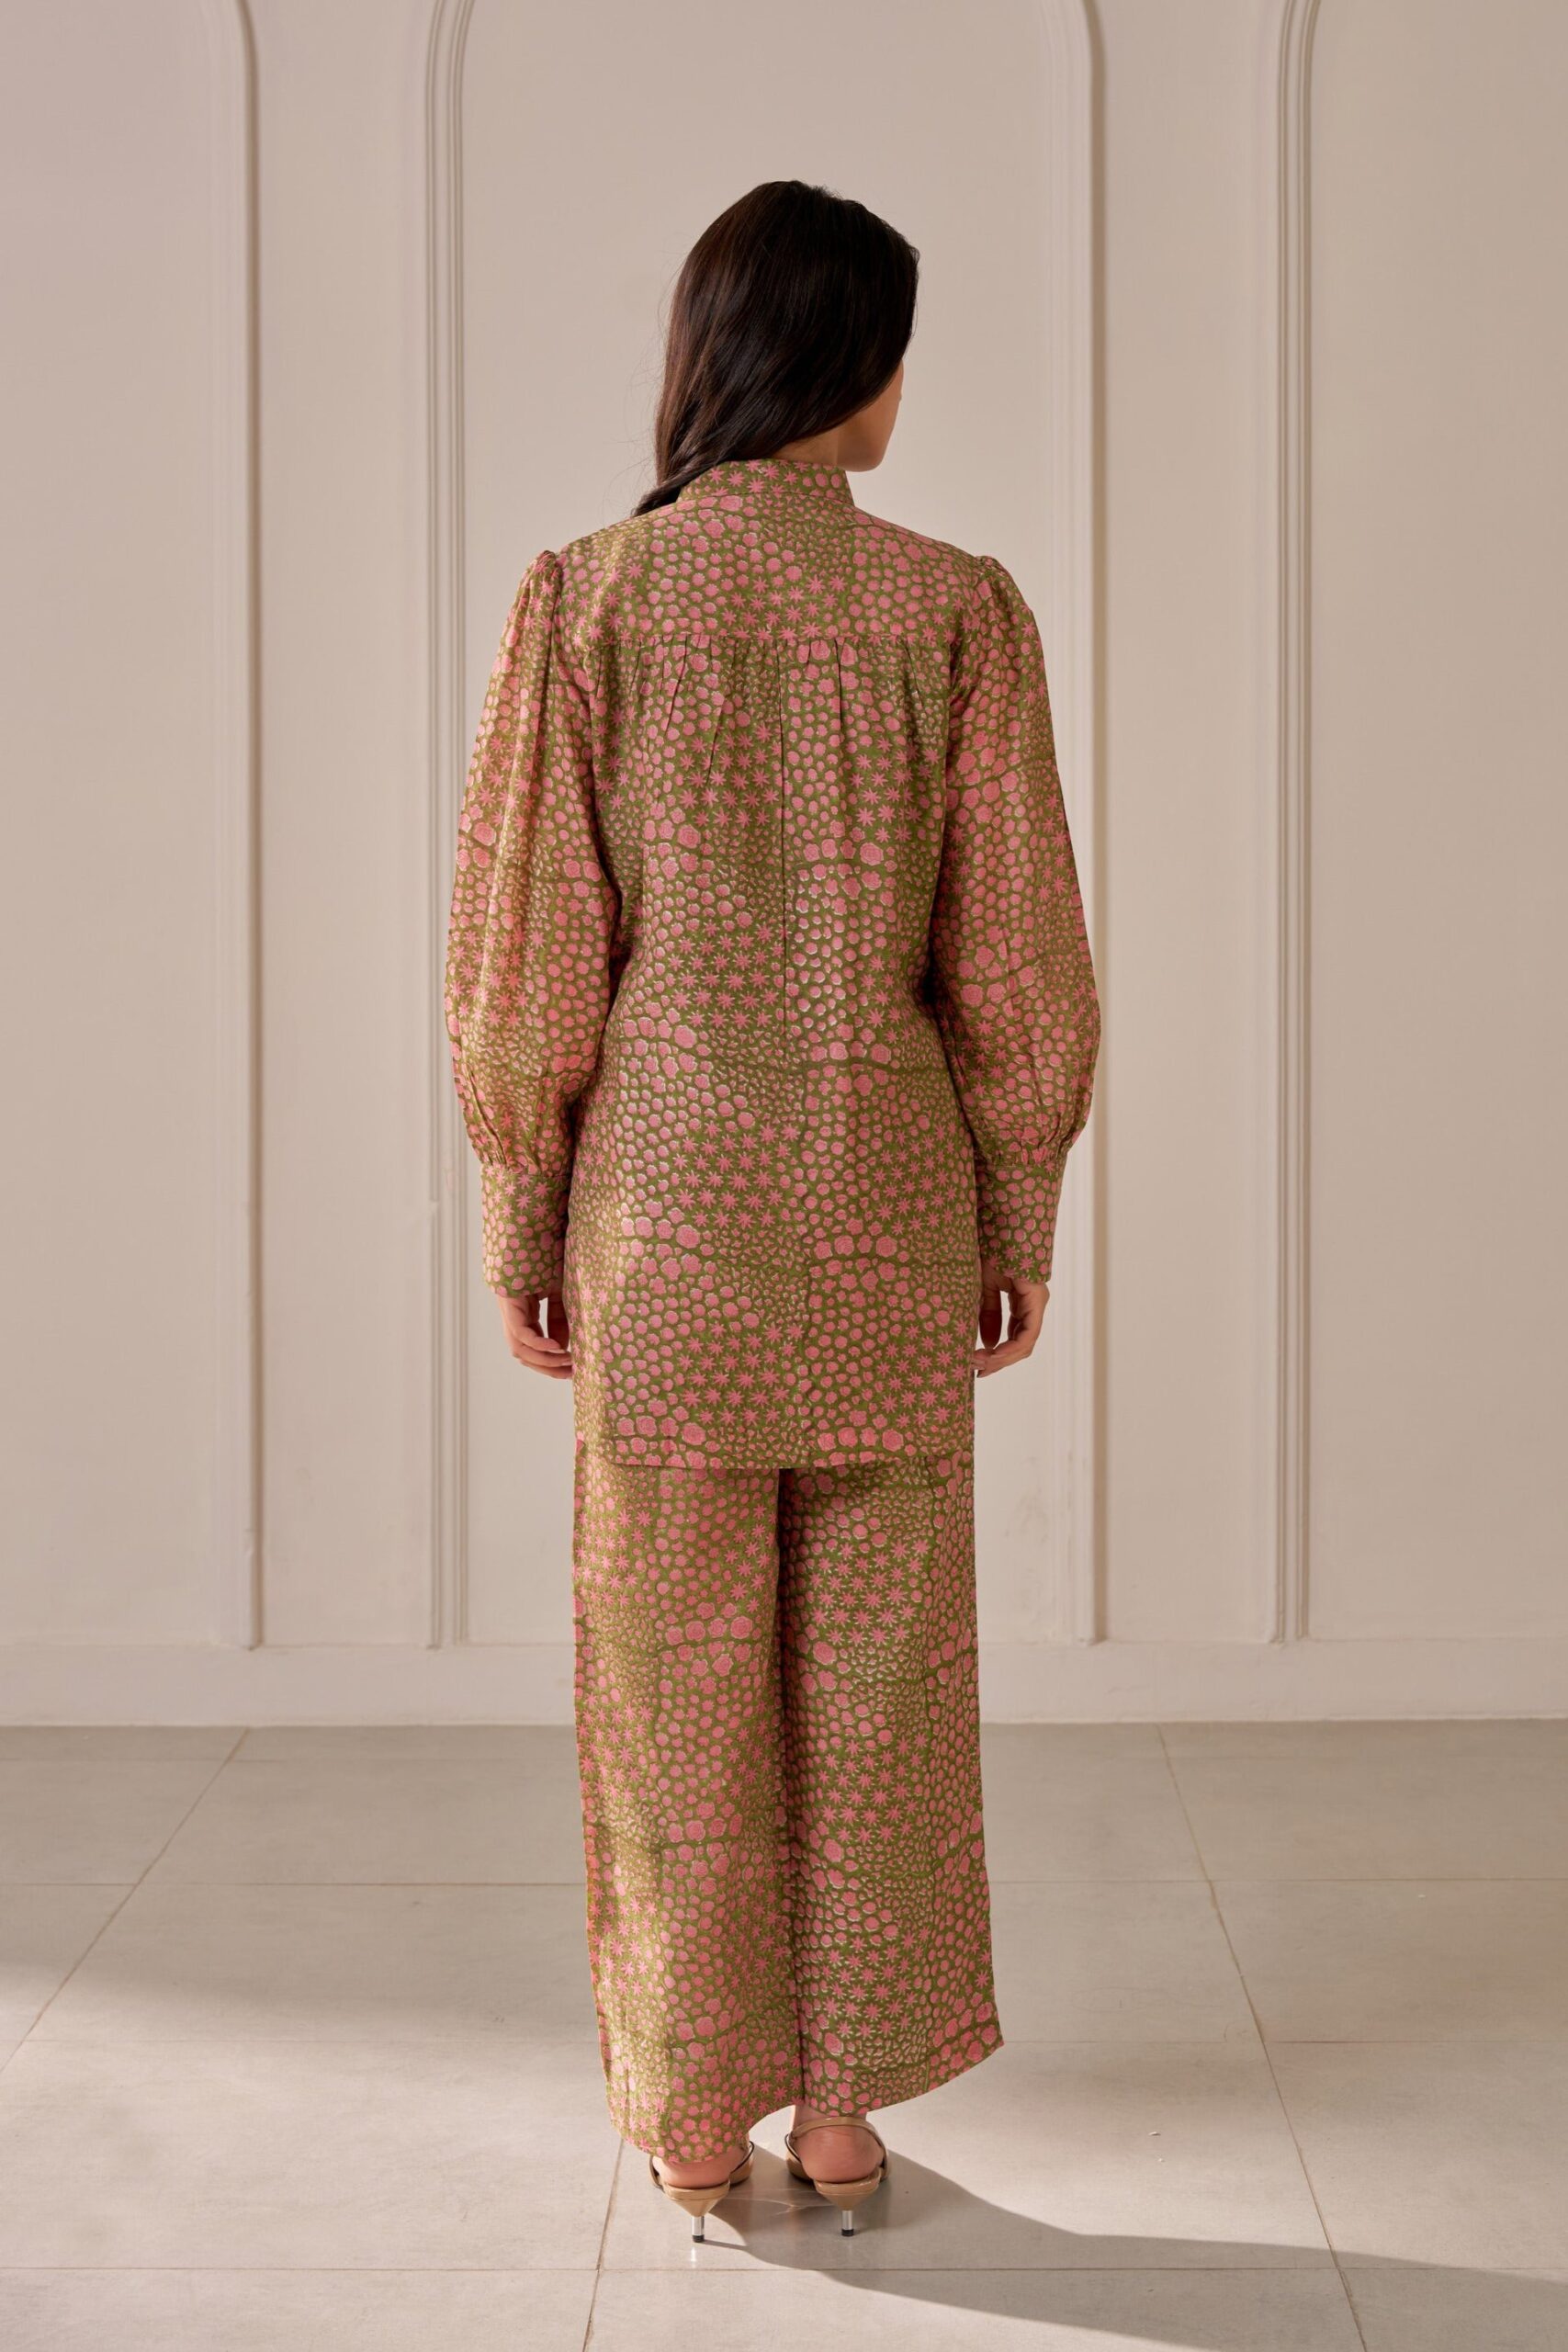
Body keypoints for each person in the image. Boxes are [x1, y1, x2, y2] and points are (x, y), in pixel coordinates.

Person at [444, 177, 1100, 2240]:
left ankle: (690, 2109)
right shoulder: (956, 610)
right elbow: (1018, 958)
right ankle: (836, 2114)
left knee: (674, 1681)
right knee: (879, 1682)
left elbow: (527, 956)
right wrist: (1016, 1198)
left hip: (665, 1220)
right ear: (848, 363)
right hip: (890, 1206)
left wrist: (521, 1205)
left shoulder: (587, 600)